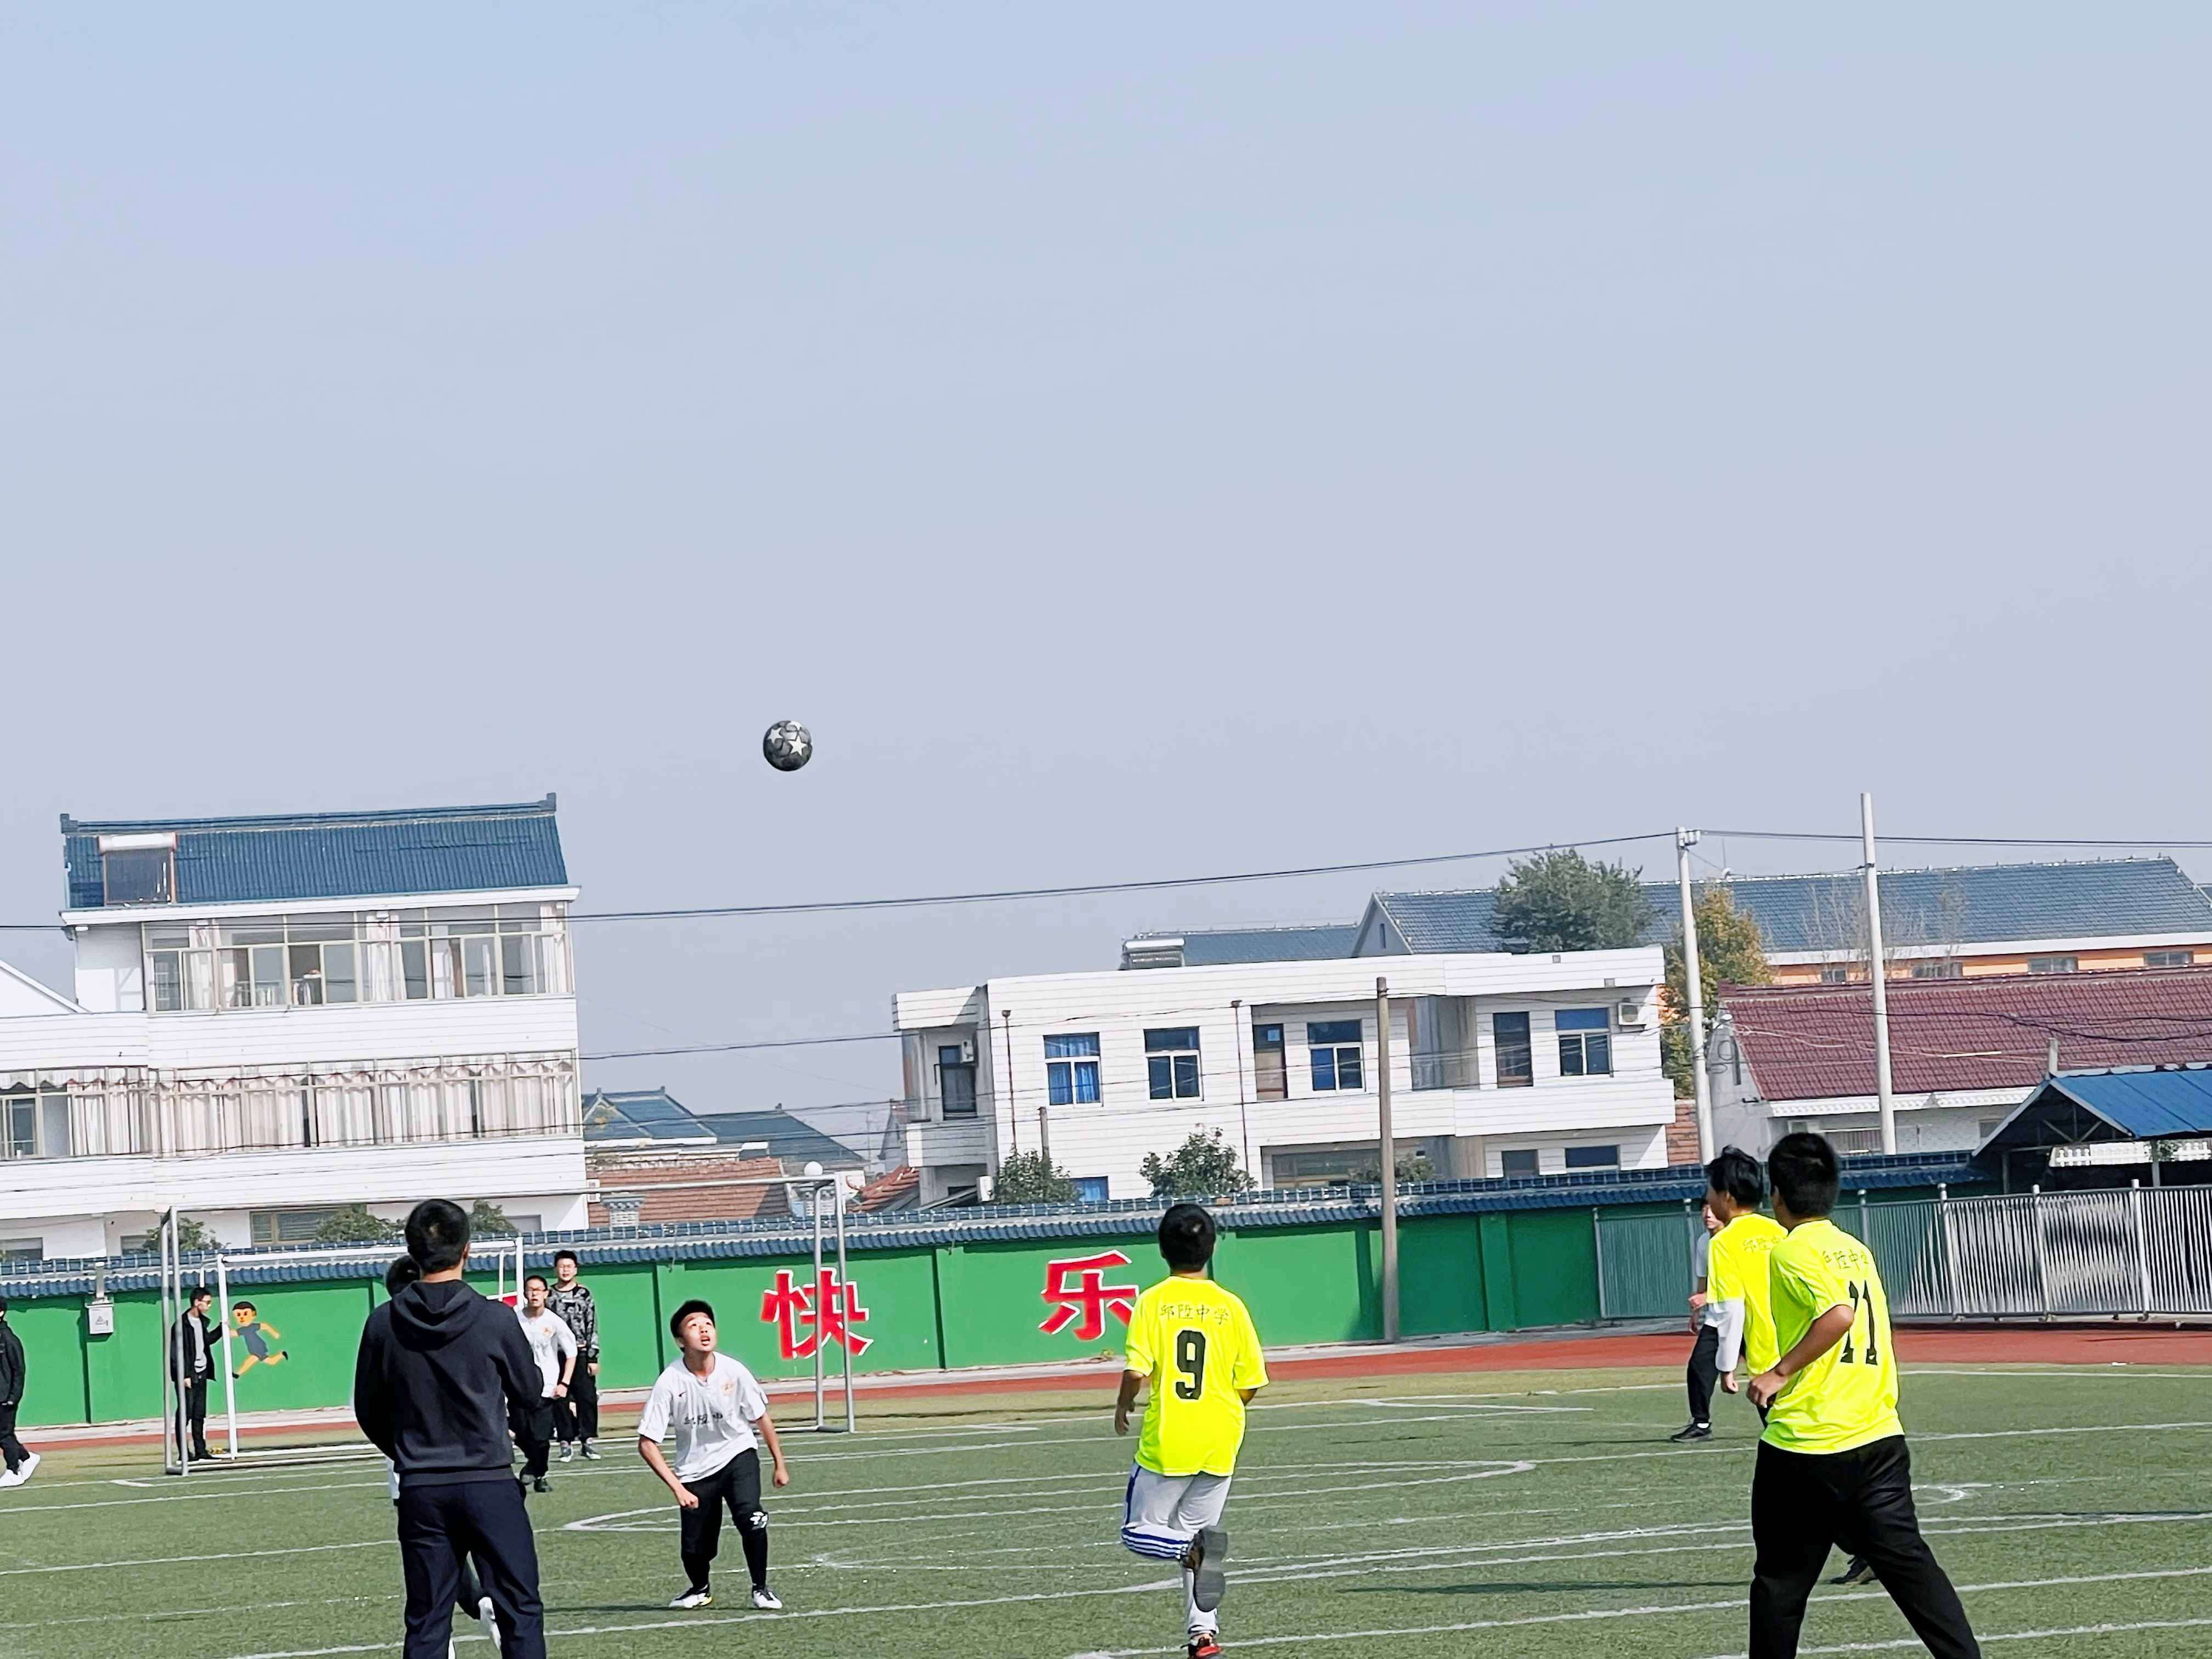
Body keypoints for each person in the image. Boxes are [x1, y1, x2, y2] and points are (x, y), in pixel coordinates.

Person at [1746, 1133, 1980, 1659]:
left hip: (1808, 1444)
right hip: (1878, 1437)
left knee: (1780, 1585)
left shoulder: (1790, 1252)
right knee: (1911, 1568)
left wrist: (1779, 1372)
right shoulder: (1854, 1248)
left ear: (1777, 1194)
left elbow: (1838, 1315)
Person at [354, 1199, 547, 1659]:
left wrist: (406, 1448)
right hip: (488, 1482)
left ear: (412, 1250)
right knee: (519, 1609)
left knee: (428, 1618)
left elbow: (368, 1409)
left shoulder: (383, 1322)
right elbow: (530, 1392)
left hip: (421, 1488)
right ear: (468, 1250)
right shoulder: (495, 1319)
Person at [1113, 1203, 1270, 1659]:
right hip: (1222, 1438)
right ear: (1212, 1247)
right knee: (1197, 1531)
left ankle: (1193, 1549)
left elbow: (1137, 1368)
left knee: (1141, 1531)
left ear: (1162, 1249)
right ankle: (1203, 1636)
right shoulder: (1231, 1306)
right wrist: (1219, 1412)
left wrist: (1124, 1404)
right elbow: (1251, 1383)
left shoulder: (1153, 1301)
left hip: (1171, 1439)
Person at [383, 1257, 504, 1658]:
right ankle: (485, 1606)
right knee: (481, 1556)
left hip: (416, 1477)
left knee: (429, 1577)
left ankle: (458, 1625)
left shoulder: (387, 1335)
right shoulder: (466, 1326)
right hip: (476, 1469)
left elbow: (371, 1411)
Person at [638, 1298, 790, 1612]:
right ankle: (699, 1589)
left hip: (738, 1455)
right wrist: (678, 1488)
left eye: (708, 1324)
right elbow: (647, 1443)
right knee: (695, 1549)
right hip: (695, 1471)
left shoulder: (733, 1371)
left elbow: (761, 1417)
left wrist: (780, 1464)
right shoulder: (670, 1381)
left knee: (752, 1517)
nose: (704, 1330)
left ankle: (760, 1589)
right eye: (693, 1326)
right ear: (681, 1341)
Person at [1705, 1147, 1788, 1425]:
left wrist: (1727, 1367)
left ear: (1726, 1196)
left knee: (1786, 1447)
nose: (1707, 1198)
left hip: (1768, 1362)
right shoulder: (1779, 1231)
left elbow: (1729, 1311)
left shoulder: (1723, 1243)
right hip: (1804, 1353)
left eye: (1710, 1191)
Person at [511, 1274, 576, 1494]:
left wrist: (564, 1383)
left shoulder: (554, 1321)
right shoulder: (513, 1319)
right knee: (519, 1432)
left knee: (541, 1437)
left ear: (546, 1294)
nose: (535, 1294)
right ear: (524, 1293)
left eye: (539, 1290)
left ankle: (539, 1474)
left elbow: (572, 1352)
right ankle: (535, 1465)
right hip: (518, 1386)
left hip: (546, 1386)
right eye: (531, 1290)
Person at [1671, 1200, 1726, 1442]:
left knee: (1767, 1370)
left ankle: (1780, 1421)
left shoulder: (1737, 1241)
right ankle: (1701, 1423)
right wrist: (1697, 1311)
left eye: (1713, 1209)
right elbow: (1703, 1279)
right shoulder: (1704, 1241)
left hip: (1750, 1317)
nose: (1707, 1214)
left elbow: (1744, 1285)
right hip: (1717, 1318)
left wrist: (1709, 1296)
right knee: (1699, 1367)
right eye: (1704, 1209)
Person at [546, 1250, 600, 1461]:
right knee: (559, 1398)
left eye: (569, 1266)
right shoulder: (548, 1296)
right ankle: (565, 1442)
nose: (565, 1270)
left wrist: (593, 1356)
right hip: (555, 1354)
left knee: (587, 1398)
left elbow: (592, 1324)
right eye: (561, 1266)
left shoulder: (584, 1295)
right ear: (555, 1270)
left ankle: (588, 1441)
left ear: (576, 1269)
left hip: (581, 1352)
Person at [170, 1285, 218, 1462]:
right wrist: (184, 1375)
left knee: (199, 1414)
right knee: (186, 1413)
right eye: (207, 1303)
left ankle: (201, 1450)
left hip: (202, 1372)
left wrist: (222, 1329)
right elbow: (176, 1353)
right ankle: (184, 1452)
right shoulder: (181, 1325)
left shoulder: (203, 1323)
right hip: (188, 1376)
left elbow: (206, 1341)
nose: (209, 1306)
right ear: (197, 1303)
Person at [0, 1295, 35, 1489]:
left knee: (4, 1435)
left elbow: (18, 1370)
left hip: (6, 1398)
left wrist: (14, 1397)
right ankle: (27, 1458)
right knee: (4, 1435)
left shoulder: (9, 1339)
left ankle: (13, 1471)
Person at [230, 1301, 289, 1376]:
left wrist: (275, 1334)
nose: (242, 1317)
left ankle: (237, 1374)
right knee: (270, 1361)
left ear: (253, 1314)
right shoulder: (243, 1330)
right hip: (254, 1349)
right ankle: (282, 1354)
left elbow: (265, 1326)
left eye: (245, 1314)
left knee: (251, 1360)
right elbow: (233, 1333)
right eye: (238, 1315)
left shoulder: (252, 1327)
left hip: (258, 1347)